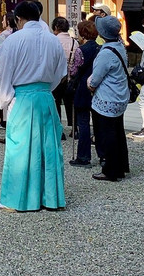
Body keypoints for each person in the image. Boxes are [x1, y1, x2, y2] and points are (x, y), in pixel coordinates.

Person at [0, 0, 67, 212]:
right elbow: (60, 73)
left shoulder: (13, 40)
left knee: (20, 149)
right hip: (45, 97)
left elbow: (4, 74)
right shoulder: (53, 40)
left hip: (23, 98)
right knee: (48, 148)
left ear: (18, 19)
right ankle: (50, 198)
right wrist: (45, 89)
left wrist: (7, 100)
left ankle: (17, 199)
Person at [88, 15, 131, 182]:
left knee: (107, 135)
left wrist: (89, 84)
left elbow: (96, 78)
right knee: (118, 133)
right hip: (120, 96)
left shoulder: (106, 52)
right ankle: (121, 166)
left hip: (107, 98)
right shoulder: (120, 47)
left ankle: (110, 169)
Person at [69, 18, 101, 166]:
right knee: (98, 123)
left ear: (83, 34)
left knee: (83, 123)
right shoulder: (100, 48)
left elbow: (74, 70)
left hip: (82, 87)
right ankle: (103, 155)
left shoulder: (81, 50)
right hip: (98, 87)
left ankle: (83, 156)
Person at [51, 16, 77, 137]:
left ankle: (58, 129)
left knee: (56, 103)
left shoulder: (53, 41)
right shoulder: (74, 42)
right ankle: (74, 128)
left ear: (56, 27)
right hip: (71, 78)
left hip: (56, 78)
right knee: (71, 103)